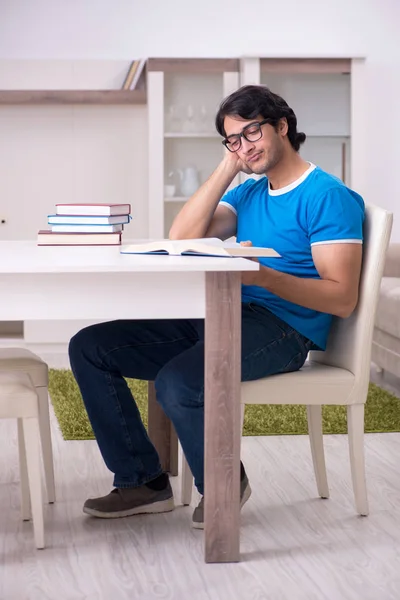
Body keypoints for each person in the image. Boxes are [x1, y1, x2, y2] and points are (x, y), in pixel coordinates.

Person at [68, 84, 365, 529]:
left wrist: (262, 275)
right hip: (225, 310)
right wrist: (230, 166)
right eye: (233, 139)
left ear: (282, 127)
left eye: (252, 133)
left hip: (285, 327)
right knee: (90, 346)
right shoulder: (249, 192)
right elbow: (181, 238)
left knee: (179, 383)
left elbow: (341, 297)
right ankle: (143, 482)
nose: (245, 147)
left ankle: (224, 484)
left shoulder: (326, 195)